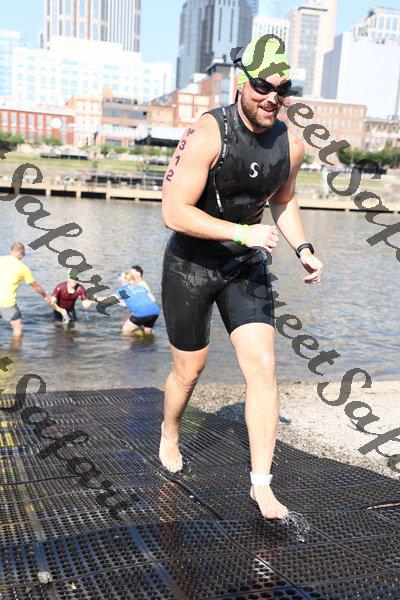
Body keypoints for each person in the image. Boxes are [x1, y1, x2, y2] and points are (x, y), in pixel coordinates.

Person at [159, 36, 324, 520]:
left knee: (263, 368)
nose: (272, 98)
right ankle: (170, 430)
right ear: (240, 82)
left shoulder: (291, 144)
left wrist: (304, 248)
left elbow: (284, 200)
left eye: (282, 90)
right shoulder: (207, 132)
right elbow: (173, 211)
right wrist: (242, 231)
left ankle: (261, 485)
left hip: (244, 266)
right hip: (190, 265)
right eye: (262, 87)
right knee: (189, 371)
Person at [0, 242, 52, 337]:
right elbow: (36, 287)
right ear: (21, 253)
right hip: (6, 302)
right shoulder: (23, 268)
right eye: (23, 255)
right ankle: (15, 347)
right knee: (18, 326)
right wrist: (46, 296)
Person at [97, 266, 160, 335]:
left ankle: (132, 342)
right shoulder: (140, 287)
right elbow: (153, 299)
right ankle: (148, 340)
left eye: (120, 280)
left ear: (122, 280)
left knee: (125, 330)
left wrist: (94, 298)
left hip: (142, 312)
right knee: (147, 330)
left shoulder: (122, 290)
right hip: (155, 310)